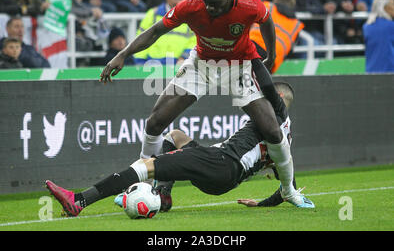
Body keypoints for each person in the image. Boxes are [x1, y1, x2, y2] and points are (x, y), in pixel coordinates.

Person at [100, 0, 300, 209]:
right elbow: (155, 31)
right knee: (155, 122)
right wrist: (122, 54)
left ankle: (289, 190)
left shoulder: (249, 5)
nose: (210, 9)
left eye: (215, 4)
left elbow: (267, 20)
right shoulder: (191, 6)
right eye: (207, 3)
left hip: (238, 66)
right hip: (202, 64)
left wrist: (271, 55)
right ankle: (144, 188)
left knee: (271, 128)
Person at [46, 78, 315, 217]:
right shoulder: (283, 137)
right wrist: (262, 204)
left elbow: (262, 84)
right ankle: (163, 194)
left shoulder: (274, 115)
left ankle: (79, 200)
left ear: (277, 99)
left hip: (220, 161)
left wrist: (248, 60)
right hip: (223, 176)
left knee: (145, 166)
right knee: (175, 135)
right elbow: (286, 184)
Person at [133, 0, 196, 65]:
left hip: (178, 64)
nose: (179, 2)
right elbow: (141, 38)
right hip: (152, 63)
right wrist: (140, 61)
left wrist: (184, 57)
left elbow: (194, 40)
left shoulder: (190, 17)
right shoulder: (152, 14)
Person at [249, 0, 304, 73]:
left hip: (253, 46)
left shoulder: (267, 6)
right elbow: (290, 52)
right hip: (272, 58)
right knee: (257, 83)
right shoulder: (296, 25)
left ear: (275, 0)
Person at [362, 0, 394, 73]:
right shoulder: (391, 26)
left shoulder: (366, 27)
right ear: (385, 8)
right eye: (392, 4)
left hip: (370, 70)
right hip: (389, 70)